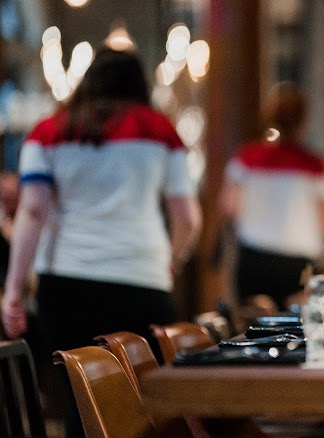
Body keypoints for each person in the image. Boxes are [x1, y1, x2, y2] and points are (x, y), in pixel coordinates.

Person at [0, 47, 201, 437]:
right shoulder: (161, 130)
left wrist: (12, 292)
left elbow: (32, 212)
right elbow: (188, 218)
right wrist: (170, 260)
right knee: (142, 405)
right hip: (142, 281)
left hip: (67, 285)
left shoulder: (49, 131)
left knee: (82, 401)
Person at [219, 85, 324, 318]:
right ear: (303, 120)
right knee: (298, 328)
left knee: (253, 328)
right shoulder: (315, 164)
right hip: (299, 264)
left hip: (254, 258)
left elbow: (229, 207)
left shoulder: (246, 157)